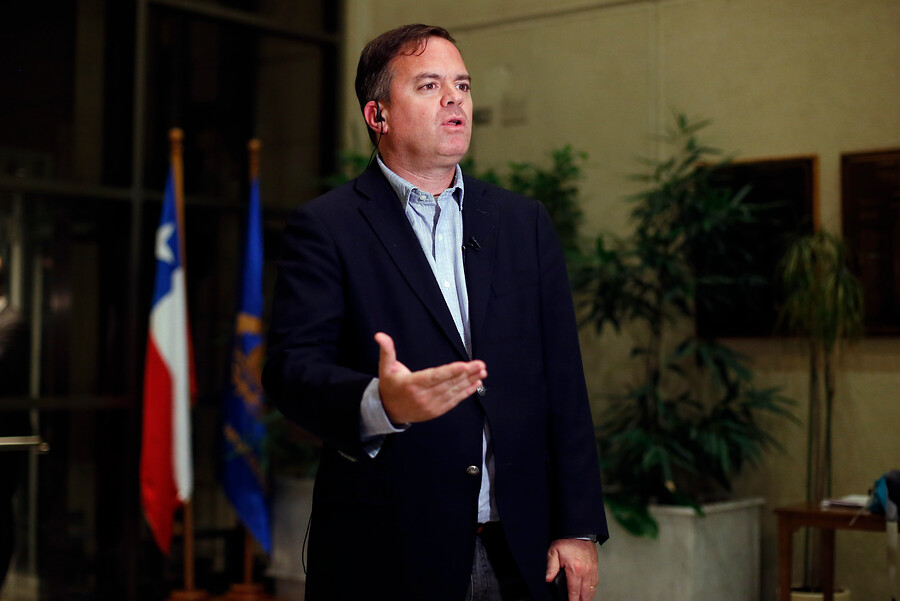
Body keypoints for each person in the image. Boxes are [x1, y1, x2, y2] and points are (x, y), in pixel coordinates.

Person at [263, 24, 607, 601]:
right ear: (378, 115)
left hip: (521, 551)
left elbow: (563, 381)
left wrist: (578, 526)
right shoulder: (326, 227)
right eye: (429, 85)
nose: (455, 100)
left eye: (462, 86)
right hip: (388, 554)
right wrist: (380, 402)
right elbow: (291, 371)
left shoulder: (522, 222)